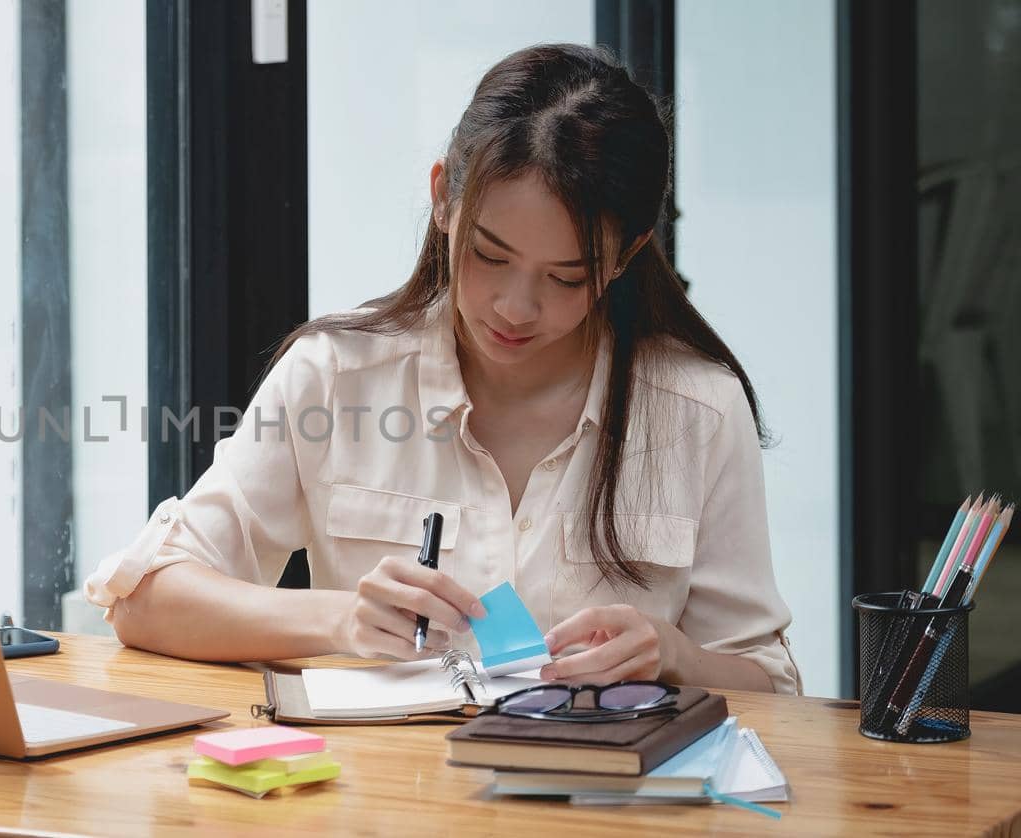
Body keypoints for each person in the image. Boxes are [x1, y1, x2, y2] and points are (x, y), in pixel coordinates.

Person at [85, 43, 801, 694]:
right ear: (442, 200)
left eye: (566, 277)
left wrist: (673, 653)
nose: (516, 308)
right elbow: (147, 601)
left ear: (627, 253)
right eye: (490, 256)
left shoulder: (698, 409)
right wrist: (340, 622)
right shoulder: (336, 377)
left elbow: (773, 687)